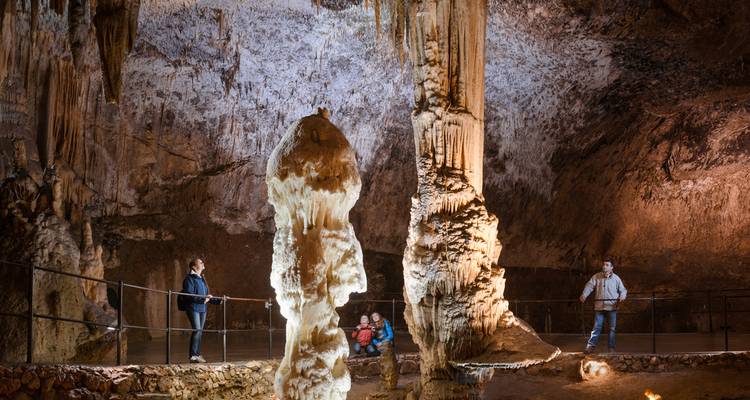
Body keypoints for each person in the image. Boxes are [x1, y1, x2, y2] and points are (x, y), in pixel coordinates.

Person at [579, 259, 628, 353]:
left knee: (612, 329)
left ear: (611, 267)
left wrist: (622, 296)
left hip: (612, 307)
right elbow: (589, 285)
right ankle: (590, 347)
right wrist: (584, 294)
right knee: (596, 328)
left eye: (607, 265)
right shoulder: (596, 276)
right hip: (599, 307)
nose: (604, 266)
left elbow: (623, 290)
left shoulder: (616, 278)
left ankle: (611, 348)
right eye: (603, 264)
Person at [178, 258, 221, 363]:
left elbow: (206, 296)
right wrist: (203, 300)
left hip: (202, 308)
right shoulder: (189, 279)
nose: (203, 263)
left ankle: (196, 354)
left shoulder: (202, 279)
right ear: (194, 266)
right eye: (200, 262)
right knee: (197, 330)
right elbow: (189, 295)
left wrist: (219, 301)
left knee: (199, 332)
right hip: (193, 308)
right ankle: (193, 355)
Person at [371, 312, 398, 389]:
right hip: (379, 344)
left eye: (376, 315)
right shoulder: (372, 326)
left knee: (385, 350)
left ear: (379, 315)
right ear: (372, 318)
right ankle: (385, 377)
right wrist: (377, 343)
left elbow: (390, 335)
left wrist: (383, 342)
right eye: (373, 316)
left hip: (386, 341)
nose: (375, 317)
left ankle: (391, 378)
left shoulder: (384, 322)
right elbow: (372, 339)